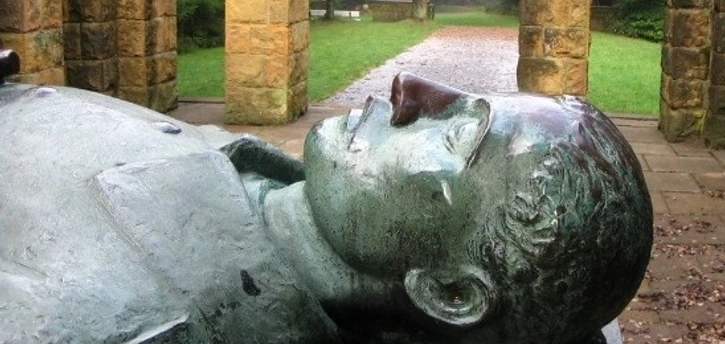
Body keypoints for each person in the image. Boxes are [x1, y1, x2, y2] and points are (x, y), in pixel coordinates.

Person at [0, 62, 652, 344]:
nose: (412, 88)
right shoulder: (276, 184)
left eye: (458, 134)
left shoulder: (107, 319)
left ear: (451, 293)